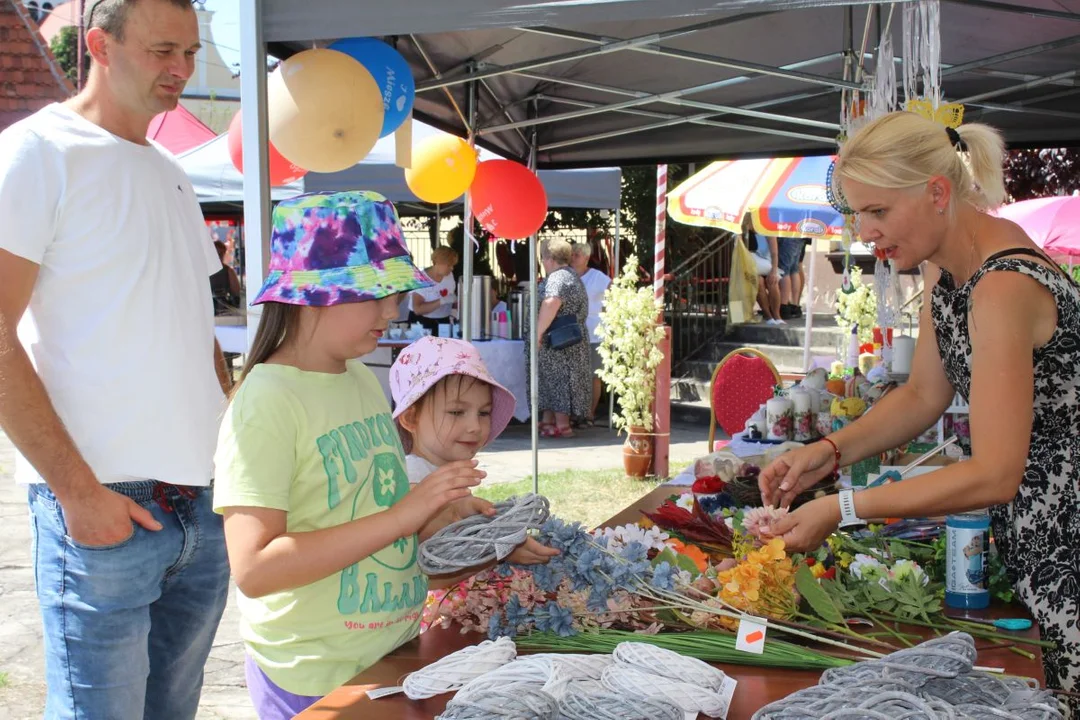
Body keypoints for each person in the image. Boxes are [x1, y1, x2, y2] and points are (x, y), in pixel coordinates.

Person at [757, 112, 1080, 703]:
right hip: (1033, 538)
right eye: (858, 214)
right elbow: (923, 395)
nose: (865, 233)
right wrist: (826, 452)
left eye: (877, 211)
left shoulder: (1003, 285)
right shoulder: (947, 268)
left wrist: (845, 507)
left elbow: (995, 474)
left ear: (937, 192)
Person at [0, 1, 232, 717]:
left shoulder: (171, 171)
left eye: (191, 52)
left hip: (200, 505)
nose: (183, 70)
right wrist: (77, 493)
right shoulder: (36, 151)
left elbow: (197, 337)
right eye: (164, 49)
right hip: (103, 509)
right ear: (99, 44)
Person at [213, 191, 494, 719]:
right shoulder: (266, 402)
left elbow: (365, 506)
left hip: (392, 650)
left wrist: (455, 522)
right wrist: (403, 515)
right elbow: (253, 567)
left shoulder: (362, 379)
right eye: (378, 294)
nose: (394, 310)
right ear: (317, 294)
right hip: (313, 674)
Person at [391, 336, 559, 564]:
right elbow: (434, 536)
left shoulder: (447, 472)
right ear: (411, 418)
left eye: (483, 413)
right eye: (456, 412)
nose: (474, 427)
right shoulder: (411, 475)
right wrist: (495, 545)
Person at [525, 239, 592, 438]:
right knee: (550, 379)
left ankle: (562, 426)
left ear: (550, 259)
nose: (543, 263)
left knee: (558, 380)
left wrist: (537, 333)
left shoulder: (557, 278)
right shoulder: (571, 275)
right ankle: (548, 421)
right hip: (563, 339)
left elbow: (551, 302)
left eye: (544, 258)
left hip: (557, 340)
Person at [571, 239, 611, 426]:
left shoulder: (597, 277)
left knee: (593, 375)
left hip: (594, 331)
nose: (573, 257)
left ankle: (589, 413)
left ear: (586, 257)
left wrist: (607, 315)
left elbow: (613, 291)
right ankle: (575, 411)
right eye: (571, 254)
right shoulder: (567, 275)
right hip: (573, 331)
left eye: (577, 254)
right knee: (575, 374)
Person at [743, 213, 783, 325]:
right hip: (752, 265)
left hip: (767, 263)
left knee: (773, 282)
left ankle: (777, 316)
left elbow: (775, 253)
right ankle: (768, 316)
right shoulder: (745, 232)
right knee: (759, 282)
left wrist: (774, 271)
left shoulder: (768, 230)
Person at [409, 245, 458, 334]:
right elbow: (417, 309)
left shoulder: (449, 276)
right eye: (449, 265)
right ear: (438, 262)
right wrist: (441, 301)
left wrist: (454, 309)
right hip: (422, 324)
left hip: (444, 322)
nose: (452, 268)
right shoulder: (420, 279)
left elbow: (452, 298)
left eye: (453, 265)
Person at [776, 237, 805, 319]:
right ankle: (795, 305)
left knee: (784, 270)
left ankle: (783, 305)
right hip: (797, 235)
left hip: (786, 235)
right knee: (794, 270)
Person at [210, 239, 242, 314]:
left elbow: (236, 293)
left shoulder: (228, 271)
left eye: (220, 254)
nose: (218, 256)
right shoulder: (203, 271)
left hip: (224, 309)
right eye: (216, 253)